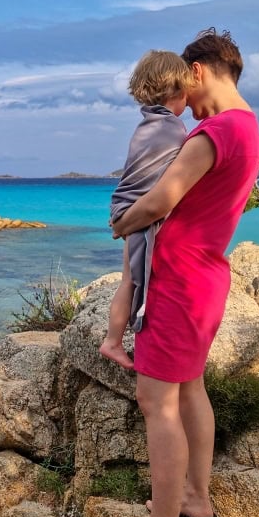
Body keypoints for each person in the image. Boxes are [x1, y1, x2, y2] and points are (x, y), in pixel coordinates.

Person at [102, 29, 259, 517]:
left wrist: (121, 222)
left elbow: (160, 201)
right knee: (189, 390)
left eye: (182, 83)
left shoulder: (212, 132)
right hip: (206, 276)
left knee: (157, 404)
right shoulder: (248, 127)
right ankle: (195, 499)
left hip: (176, 282)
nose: (179, 98)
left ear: (198, 71)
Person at [98, 50, 192, 370]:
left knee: (127, 280)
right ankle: (114, 340)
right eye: (187, 94)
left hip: (125, 207)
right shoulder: (172, 128)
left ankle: (113, 340)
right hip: (136, 213)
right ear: (177, 90)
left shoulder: (148, 124)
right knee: (138, 280)